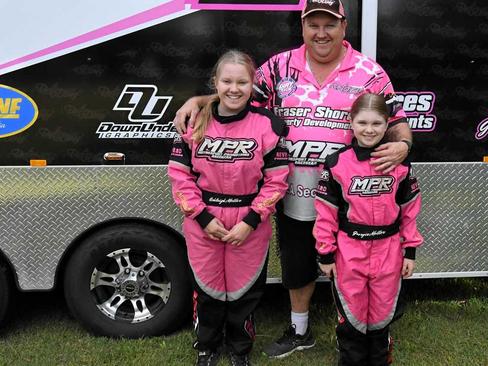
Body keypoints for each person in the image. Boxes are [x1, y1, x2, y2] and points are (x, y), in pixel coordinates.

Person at [173, 0, 413, 358]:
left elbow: (395, 117)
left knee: (350, 266)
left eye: (329, 25)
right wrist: (200, 99)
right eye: (313, 24)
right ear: (302, 27)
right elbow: (237, 94)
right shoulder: (279, 66)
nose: (321, 32)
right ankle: (300, 331)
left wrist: (404, 144)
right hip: (291, 189)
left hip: (346, 193)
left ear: (344, 27)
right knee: (297, 261)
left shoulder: (368, 72)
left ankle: (361, 331)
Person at [168, 50, 289, 366]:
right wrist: (203, 217)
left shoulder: (268, 126)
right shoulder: (193, 122)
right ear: (215, 83)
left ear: (253, 86)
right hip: (203, 220)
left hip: (249, 222)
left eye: (242, 82)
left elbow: (277, 182)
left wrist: (251, 219)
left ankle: (240, 350)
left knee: (244, 291)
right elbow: (180, 178)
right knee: (207, 290)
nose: (234, 89)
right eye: (227, 81)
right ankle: (207, 347)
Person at [314, 93, 423, 365]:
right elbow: (325, 212)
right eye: (362, 122)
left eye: (377, 123)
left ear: (387, 125)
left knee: (381, 317)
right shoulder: (337, 162)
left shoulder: (400, 164)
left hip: (389, 250)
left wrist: (410, 250)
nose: (369, 129)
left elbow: (409, 209)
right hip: (349, 251)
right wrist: (325, 254)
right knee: (352, 318)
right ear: (351, 123)